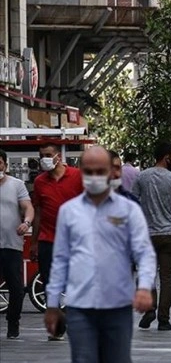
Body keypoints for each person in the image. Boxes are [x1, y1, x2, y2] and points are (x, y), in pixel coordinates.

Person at [44, 146, 157, 362]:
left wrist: (144, 287)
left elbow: (144, 252)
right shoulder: (69, 211)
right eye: (89, 171)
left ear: (111, 172)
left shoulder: (128, 210)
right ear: (80, 171)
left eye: (100, 171)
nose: (94, 177)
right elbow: (60, 260)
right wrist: (52, 304)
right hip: (80, 307)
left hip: (118, 306)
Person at [31, 142, 84, 340]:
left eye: (47, 154)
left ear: (58, 157)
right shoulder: (39, 182)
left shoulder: (77, 176)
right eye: (41, 155)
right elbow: (38, 212)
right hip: (48, 240)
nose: (44, 158)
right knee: (50, 285)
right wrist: (34, 242)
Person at [132, 141, 171, 331]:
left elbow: (134, 203)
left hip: (147, 235)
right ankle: (164, 319)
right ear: (166, 157)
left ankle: (150, 309)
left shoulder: (141, 177)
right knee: (167, 279)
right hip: (169, 234)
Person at [0, 149, 35, 339]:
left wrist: (27, 222)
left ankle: (13, 321)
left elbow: (28, 207)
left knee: (16, 288)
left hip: (11, 244)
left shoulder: (17, 185)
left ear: (4, 164)